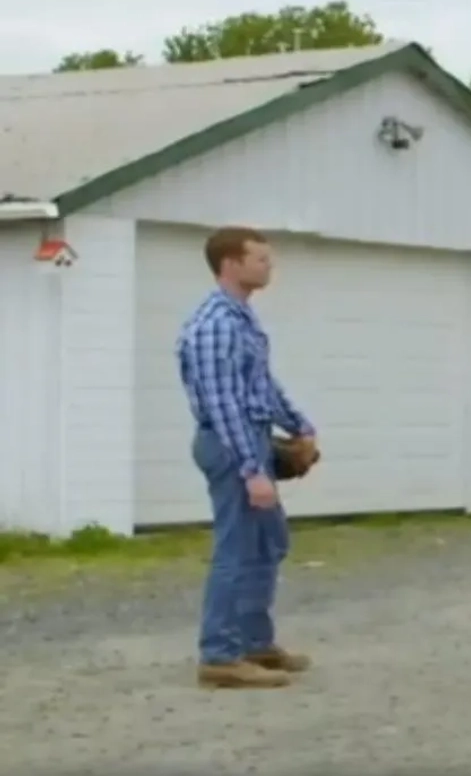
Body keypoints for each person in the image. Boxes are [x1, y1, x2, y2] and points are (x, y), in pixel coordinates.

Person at [177, 227, 317, 688]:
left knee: (268, 543)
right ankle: (219, 655)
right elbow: (223, 405)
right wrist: (252, 469)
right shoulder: (215, 323)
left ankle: (255, 643)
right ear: (231, 264)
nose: (268, 266)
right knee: (235, 551)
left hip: (250, 439)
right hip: (231, 444)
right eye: (260, 258)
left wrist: (300, 425)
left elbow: (260, 386)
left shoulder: (242, 319)